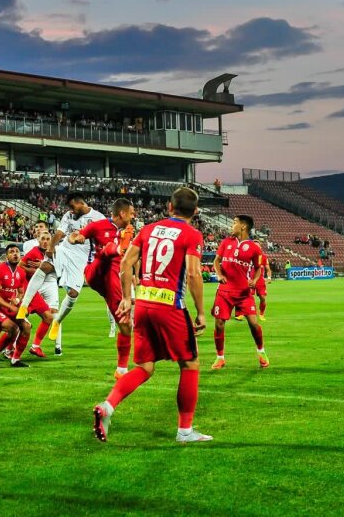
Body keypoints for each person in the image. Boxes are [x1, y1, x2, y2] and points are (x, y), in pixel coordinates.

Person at [92, 186, 210, 444]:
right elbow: (192, 274)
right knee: (190, 364)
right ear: (196, 211)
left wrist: (126, 298)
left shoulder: (148, 229)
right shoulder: (192, 234)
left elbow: (124, 264)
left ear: (169, 207)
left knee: (144, 367)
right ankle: (185, 431)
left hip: (143, 304)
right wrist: (201, 312)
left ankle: (108, 407)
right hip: (170, 306)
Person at [16, 194, 105, 345]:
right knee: (44, 267)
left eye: (72, 206)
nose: (71, 210)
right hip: (64, 249)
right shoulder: (69, 215)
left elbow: (103, 239)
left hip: (81, 259)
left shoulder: (98, 218)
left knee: (73, 294)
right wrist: (51, 248)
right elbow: (60, 233)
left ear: (80, 202)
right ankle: (24, 306)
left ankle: (57, 322)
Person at [78, 199, 138, 378]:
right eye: (132, 213)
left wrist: (134, 275)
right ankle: (112, 248)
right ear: (122, 213)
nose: (134, 216)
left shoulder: (130, 232)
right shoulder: (98, 226)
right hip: (95, 273)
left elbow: (130, 259)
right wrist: (76, 238)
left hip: (114, 281)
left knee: (126, 325)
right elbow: (78, 235)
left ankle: (121, 369)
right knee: (106, 254)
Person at [210, 216, 268, 370]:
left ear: (243, 226)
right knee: (219, 324)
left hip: (243, 293)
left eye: (234, 223)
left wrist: (255, 280)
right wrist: (219, 274)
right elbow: (216, 261)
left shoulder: (254, 248)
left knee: (254, 324)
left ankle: (261, 352)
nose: (232, 225)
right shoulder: (226, 242)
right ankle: (220, 357)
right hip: (224, 291)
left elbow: (258, 268)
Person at [0, 243, 34, 368]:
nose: (15, 254)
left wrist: (17, 299)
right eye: (11, 252)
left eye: (17, 251)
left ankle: (15, 359)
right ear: (6, 256)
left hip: (7, 306)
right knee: (12, 327)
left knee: (26, 327)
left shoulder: (21, 273)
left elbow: (21, 292)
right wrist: (12, 307)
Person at [19, 230, 60, 357]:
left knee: (53, 314)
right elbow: (20, 266)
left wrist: (43, 266)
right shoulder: (33, 252)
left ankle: (58, 346)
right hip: (35, 285)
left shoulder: (57, 252)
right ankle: (14, 345)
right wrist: (35, 269)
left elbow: (61, 268)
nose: (45, 241)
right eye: (43, 239)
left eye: (48, 239)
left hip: (50, 283)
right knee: (23, 314)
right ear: (38, 240)